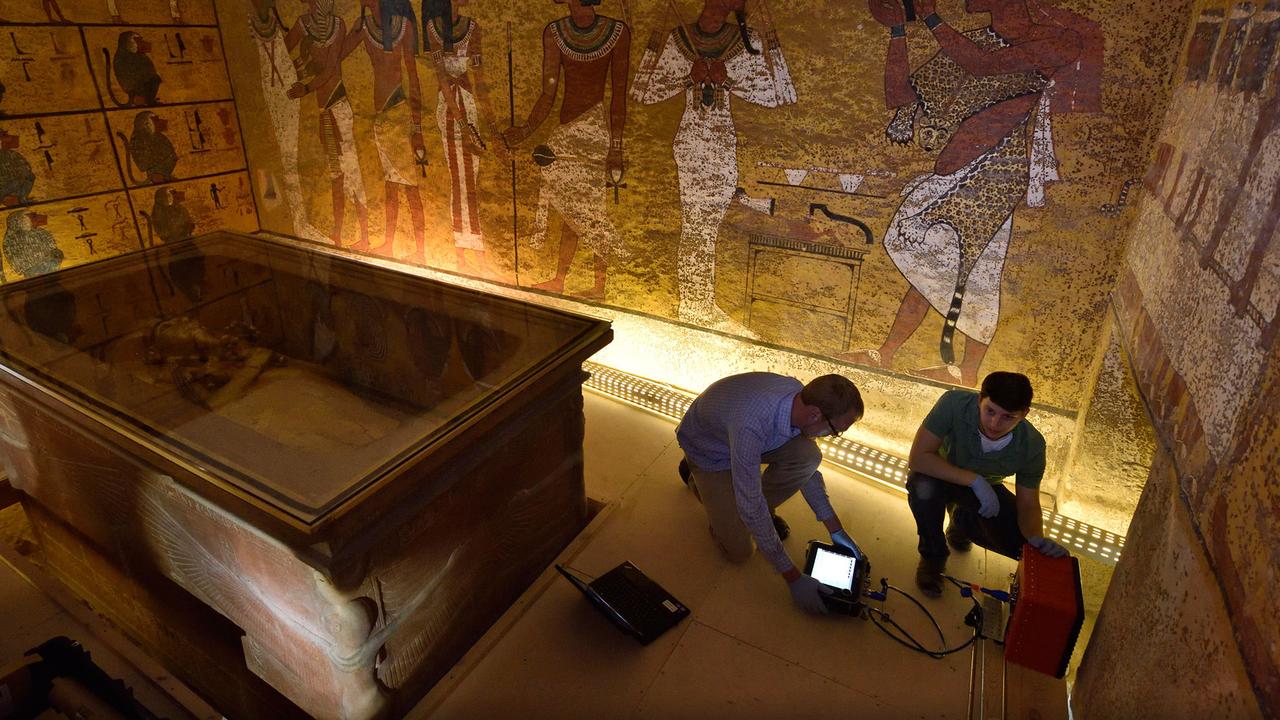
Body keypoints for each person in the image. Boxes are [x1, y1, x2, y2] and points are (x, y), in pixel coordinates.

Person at [846, 0, 1102, 387]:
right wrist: (899, 29)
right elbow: (901, 95)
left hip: (996, 173)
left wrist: (930, 16)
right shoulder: (972, 41)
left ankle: (959, 370)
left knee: (975, 270)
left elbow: (984, 65)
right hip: (960, 168)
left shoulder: (1058, 41)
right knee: (934, 264)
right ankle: (895, 354)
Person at [631, 0, 794, 331]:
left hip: (721, 147)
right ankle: (695, 305)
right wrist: (685, 76)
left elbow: (774, 95)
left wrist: (728, 80)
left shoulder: (745, 39)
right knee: (697, 227)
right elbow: (646, 92)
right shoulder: (681, 38)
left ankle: (698, 303)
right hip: (692, 145)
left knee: (707, 228)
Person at [675, 373, 863, 614]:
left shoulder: (799, 401)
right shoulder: (750, 426)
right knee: (740, 551)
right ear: (815, 414)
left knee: (809, 456)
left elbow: (808, 470)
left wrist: (836, 529)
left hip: (744, 437)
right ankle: (695, 477)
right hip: (711, 451)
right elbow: (751, 506)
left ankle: (733, 501)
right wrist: (793, 577)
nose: (834, 436)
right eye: (836, 431)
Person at [504, 0, 630, 300]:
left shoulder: (617, 32)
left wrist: (616, 147)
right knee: (569, 211)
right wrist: (525, 130)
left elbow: (619, 95)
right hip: (566, 133)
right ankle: (560, 280)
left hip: (595, 131)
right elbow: (548, 93)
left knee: (592, 212)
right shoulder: (555, 32)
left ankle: (599, 286)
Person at [907, 371, 1068, 598]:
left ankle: (960, 524)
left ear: (1024, 414)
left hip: (989, 489)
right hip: (943, 474)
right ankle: (933, 557)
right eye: (990, 411)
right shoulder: (953, 403)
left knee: (1019, 544)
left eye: (1007, 417)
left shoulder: (1032, 445)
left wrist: (1035, 538)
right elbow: (919, 458)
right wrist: (974, 481)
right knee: (921, 486)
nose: (994, 423)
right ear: (979, 400)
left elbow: (1029, 504)